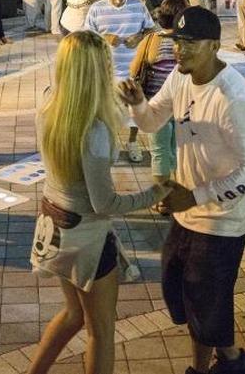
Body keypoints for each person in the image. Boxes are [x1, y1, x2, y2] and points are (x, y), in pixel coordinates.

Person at [116, 6, 245, 374]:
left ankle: (223, 366)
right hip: (187, 214)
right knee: (185, 295)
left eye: (190, 43)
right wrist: (137, 104)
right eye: (177, 41)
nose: (179, 50)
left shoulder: (234, 99)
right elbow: (153, 119)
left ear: (214, 45)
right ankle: (224, 360)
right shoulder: (182, 78)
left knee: (205, 303)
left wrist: (196, 195)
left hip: (220, 221)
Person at [27, 31, 170, 374]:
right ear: (100, 68)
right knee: (101, 331)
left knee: (74, 313)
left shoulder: (49, 104)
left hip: (54, 224)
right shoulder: (95, 130)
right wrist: (157, 192)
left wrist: (135, 103)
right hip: (88, 237)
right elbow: (103, 203)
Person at [84, 0, 155, 163]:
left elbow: (151, 29)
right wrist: (103, 38)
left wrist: (139, 37)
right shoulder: (97, 9)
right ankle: (111, 144)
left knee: (134, 110)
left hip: (133, 71)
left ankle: (133, 142)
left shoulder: (138, 6)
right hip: (106, 72)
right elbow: (86, 37)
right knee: (106, 111)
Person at [129, 0, 187, 182]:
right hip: (184, 104)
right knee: (179, 152)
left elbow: (134, 69)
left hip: (156, 104)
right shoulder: (189, 42)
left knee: (160, 152)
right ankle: (180, 194)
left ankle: (163, 199)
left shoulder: (151, 40)